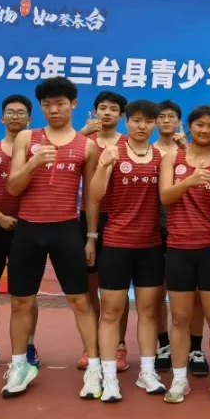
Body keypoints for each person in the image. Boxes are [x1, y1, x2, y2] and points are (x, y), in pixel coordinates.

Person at [3, 77, 101, 399]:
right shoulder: (27, 138)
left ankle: (95, 368)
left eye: (60, 103)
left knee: (80, 301)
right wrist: (33, 162)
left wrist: (90, 237)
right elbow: (13, 188)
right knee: (20, 301)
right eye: (47, 104)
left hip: (66, 230)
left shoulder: (86, 145)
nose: (53, 110)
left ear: (73, 104)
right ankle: (20, 365)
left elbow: (91, 197)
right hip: (28, 229)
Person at [89, 99, 167, 402]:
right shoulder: (112, 152)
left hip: (150, 246)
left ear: (155, 124)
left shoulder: (161, 157)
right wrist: (103, 165)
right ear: (127, 121)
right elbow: (95, 195)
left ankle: (147, 371)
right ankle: (109, 376)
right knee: (111, 312)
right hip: (116, 244)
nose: (142, 126)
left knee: (148, 311)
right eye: (136, 120)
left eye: (148, 121)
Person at [160, 105, 210, 403]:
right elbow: (165, 196)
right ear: (189, 126)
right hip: (178, 248)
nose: (205, 130)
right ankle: (179, 380)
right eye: (199, 124)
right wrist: (189, 181)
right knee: (180, 318)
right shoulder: (171, 159)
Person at [0, 95, 40, 374]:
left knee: (26, 295)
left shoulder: (38, 152)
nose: (15, 116)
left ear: (30, 119)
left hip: (27, 229)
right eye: (10, 112)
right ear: (2, 118)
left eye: (21, 112)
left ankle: (28, 345)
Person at [153, 99, 208, 376]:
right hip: (154, 230)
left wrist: (186, 147)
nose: (166, 120)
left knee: (195, 293)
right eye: (161, 116)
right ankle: (164, 344)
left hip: (189, 231)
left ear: (179, 121)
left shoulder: (189, 151)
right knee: (159, 291)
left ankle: (195, 348)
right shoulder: (147, 151)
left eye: (171, 116)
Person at [77, 91, 131, 372]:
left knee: (116, 290)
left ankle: (118, 344)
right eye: (102, 108)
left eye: (113, 109)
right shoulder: (84, 142)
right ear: (95, 111)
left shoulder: (129, 143)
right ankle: (93, 345)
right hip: (88, 217)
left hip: (121, 219)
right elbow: (59, 165)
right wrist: (81, 134)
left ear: (122, 115)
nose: (107, 113)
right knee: (89, 286)